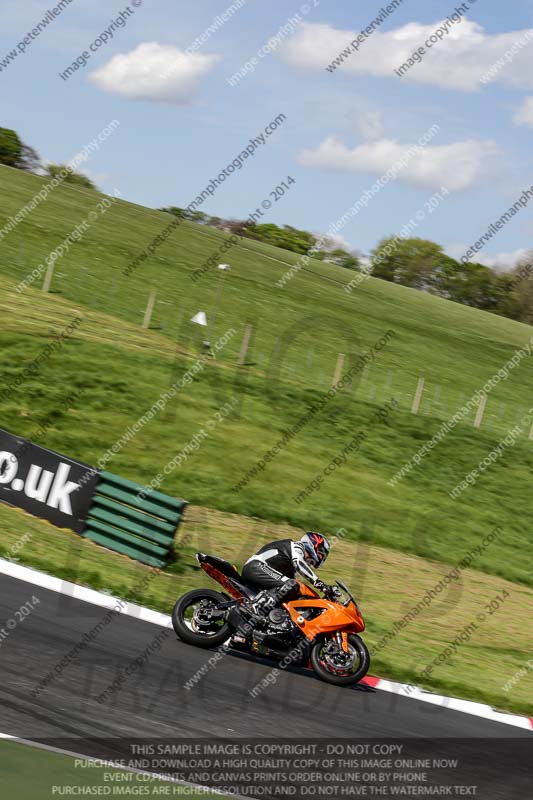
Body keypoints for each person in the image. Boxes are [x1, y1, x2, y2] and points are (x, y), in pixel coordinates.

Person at [241, 532, 332, 617]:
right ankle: (257, 606)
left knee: (293, 590)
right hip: (256, 567)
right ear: (313, 544)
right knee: (292, 585)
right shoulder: (297, 546)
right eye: (321, 553)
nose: (321, 557)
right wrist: (320, 585)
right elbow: (299, 564)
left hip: (258, 572)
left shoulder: (290, 565)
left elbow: (295, 585)